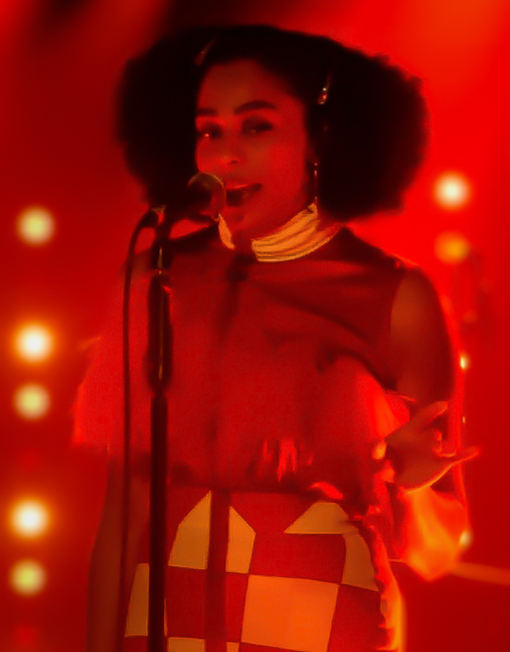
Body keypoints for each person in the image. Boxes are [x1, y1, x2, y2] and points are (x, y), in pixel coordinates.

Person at [75, 24, 475, 652]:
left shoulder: (397, 296)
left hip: (321, 623)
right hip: (165, 622)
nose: (224, 155)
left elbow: (440, 549)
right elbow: (122, 516)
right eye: (210, 130)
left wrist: (411, 487)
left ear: (322, 139)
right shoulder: (157, 277)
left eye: (256, 126)